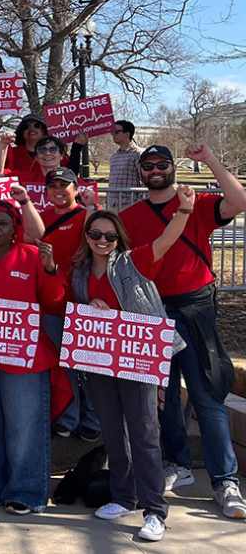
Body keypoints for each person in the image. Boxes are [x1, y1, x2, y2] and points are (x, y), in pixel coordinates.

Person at [120, 144, 246, 520]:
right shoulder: (130, 215)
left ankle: (226, 479)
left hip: (195, 309)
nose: (155, 170)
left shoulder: (199, 202)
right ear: (140, 173)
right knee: (166, 396)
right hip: (151, 310)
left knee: (206, 396)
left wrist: (209, 159)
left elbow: (238, 201)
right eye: (148, 166)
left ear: (173, 168)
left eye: (162, 164)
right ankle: (178, 463)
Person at [70, 193, 195, 542]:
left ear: (119, 238)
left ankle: (155, 510)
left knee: (143, 433)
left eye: (110, 236)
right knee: (112, 431)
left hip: (136, 357)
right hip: (99, 360)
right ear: (87, 236)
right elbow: (76, 307)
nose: (102, 241)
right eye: (96, 234)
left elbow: (167, 239)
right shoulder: (79, 271)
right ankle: (123, 496)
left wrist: (184, 208)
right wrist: (90, 304)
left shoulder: (133, 261)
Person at [0, 201, 65, 515]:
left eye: (3, 223)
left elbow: (55, 302)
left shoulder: (32, 256)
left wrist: (50, 270)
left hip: (25, 356)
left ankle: (27, 492)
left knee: (24, 425)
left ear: (14, 227)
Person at [25, 167, 100, 442]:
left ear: (75, 188)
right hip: (52, 301)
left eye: (64, 185)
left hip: (83, 300)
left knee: (88, 364)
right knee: (64, 365)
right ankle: (69, 417)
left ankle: (92, 418)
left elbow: (96, 237)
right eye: (52, 185)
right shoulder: (41, 218)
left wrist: (91, 205)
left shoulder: (85, 214)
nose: (58, 190)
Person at [107, 120, 143, 210]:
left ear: (127, 134)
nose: (113, 135)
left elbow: (145, 180)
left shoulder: (138, 154)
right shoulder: (114, 156)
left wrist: (139, 202)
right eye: (112, 132)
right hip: (112, 204)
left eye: (116, 132)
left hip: (130, 203)